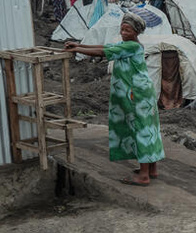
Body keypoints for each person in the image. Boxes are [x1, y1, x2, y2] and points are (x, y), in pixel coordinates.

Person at [64, 14, 164, 185]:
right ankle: (151, 169)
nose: (123, 32)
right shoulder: (128, 45)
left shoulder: (131, 46)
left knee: (140, 129)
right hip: (142, 93)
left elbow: (103, 52)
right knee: (148, 127)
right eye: (122, 28)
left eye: (128, 30)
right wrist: (80, 45)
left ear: (136, 32)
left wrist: (77, 50)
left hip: (135, 95)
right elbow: (106, 46)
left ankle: (143, 176)